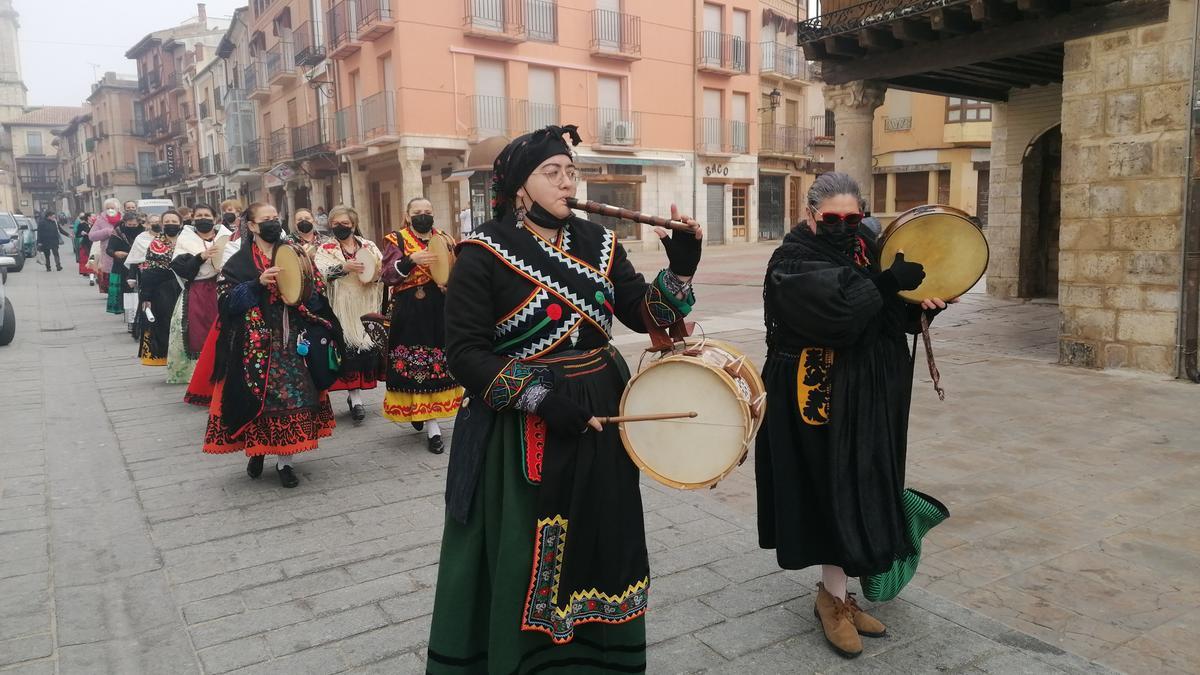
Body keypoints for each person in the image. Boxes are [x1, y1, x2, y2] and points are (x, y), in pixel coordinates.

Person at [425, 125, 704, 673]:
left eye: (571, 172)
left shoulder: (600, 242)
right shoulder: (482, 252)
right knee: (531, 546)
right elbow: (464, 353)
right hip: (525, 425)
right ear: (518, 187)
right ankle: (523, 659)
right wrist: (537, 395)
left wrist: (680, 270)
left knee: (603, 533)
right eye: (552, 173)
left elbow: (643, 314)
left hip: (602, 406)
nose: (566, 182)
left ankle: (600, 657)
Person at [756, 172, 954, 659]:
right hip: (816, 398)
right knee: (829, 490)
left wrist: (926, 305)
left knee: (860, 486)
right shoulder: (792, 259)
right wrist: (888, 283)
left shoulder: (871, 247)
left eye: (853, 217)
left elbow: (891, 315)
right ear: (811, 216)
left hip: (868, 394)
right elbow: (837, 315)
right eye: (833, 218)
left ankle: (840, 594)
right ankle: (832, 601)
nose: (845, 226)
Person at [202, 202, 337, 488]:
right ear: (251, 226)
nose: (273, 223)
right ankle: (258, 451)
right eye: (266, 219)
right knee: (258, 398)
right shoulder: (239, 263)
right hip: (254, 343)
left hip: (291, 340)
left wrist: (302, 292)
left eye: (276, 218)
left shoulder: (294, 252)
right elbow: (227, 303)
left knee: (294, 397)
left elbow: (316, 290)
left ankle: (285, 462)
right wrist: (258, 283)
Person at [377, 198, 462, 453]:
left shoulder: (445, 238)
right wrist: (410, 260)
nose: (423, 216)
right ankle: (426, 420)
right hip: (410, 310)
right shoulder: (397, 239)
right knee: (415, 363)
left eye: (427, 212)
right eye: (417, 212)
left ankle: (430, 420)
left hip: (439, 307)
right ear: (407, 215)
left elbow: (457, 269)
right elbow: (387, 275)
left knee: (437, 362)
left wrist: (450, 283)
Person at [314, 206, 386, 423]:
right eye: (335, 224)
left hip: (365, 301)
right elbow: (320, 274)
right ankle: (355, 399)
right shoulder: (326, 248)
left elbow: (382, 268)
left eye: (344, 223)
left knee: (365, 349)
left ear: (353, 225)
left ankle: (358, 394)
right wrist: (343, 267)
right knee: (348, 350)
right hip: (342, 305)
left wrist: (372, 273)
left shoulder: (369, 245)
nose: (340, 227)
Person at [171, 203, 233, 389]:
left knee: (225, 332)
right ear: (193, 218)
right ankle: (202, 378)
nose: (203, 219)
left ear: (215, 219)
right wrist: (201, 257)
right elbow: (180, 268)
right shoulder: (185, 240)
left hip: (223, 289)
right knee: (200, 334)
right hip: (199, 291)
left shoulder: (226, 238)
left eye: (207, 215)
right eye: (199, 216)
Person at [133, 210, 183, 366]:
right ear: (162, 224)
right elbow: (149, 271)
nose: (170, 224)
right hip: (163, 289)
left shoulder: (187, 241)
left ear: (180, 223)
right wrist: (146, 296)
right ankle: (168, 359)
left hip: (185, 287)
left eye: (174, 221)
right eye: (167, 221)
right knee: (166, 323)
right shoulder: (156, 243)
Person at [106, 212, 145, 334]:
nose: (132, 226)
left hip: (140, 266)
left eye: (135, 224)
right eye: (129, 224)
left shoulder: (143, 233)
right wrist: (115, 254)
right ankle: (130, 321)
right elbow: (109, 249)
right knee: (128, 295)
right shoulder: (117, 232)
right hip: (122, 266)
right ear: (124, 222)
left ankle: (143, 319)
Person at [89, 198, 123, 300]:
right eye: (108, 208)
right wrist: (107, 232)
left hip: (124, 252)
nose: (110, 210)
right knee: (111, 275)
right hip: (108, 253)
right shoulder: (100, 220)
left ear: (117, 208)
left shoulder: (124, 218)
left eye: (112, 208)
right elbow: (91, 236)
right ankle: (114, 297)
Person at [74, 213, 93, 280]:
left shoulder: (95, 224)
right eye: (92, 216)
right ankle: (90, 274)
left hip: (94, 244)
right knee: (89, 259)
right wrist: (82, 234)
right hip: (86, 244)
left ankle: (92, 274)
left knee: (93, 259)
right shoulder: (82, 225)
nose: (94, 217)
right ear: (88, 217)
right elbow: (77, 235)